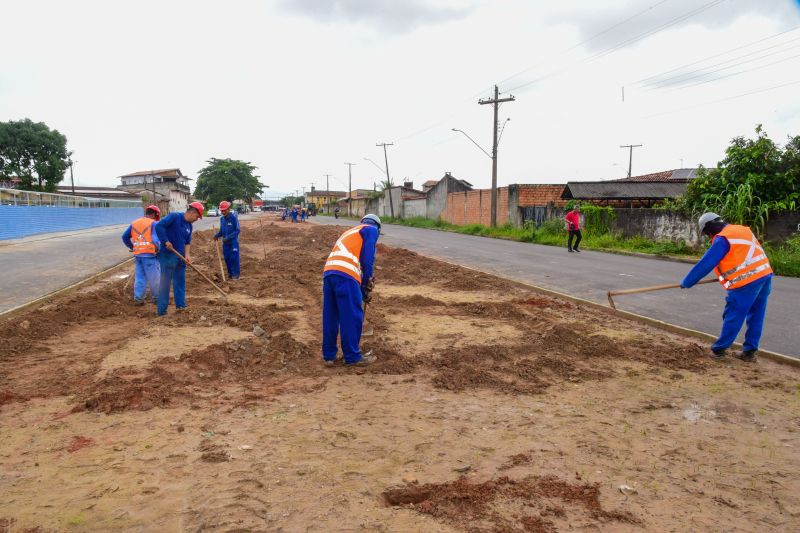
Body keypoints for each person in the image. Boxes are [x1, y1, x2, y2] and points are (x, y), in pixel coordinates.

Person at [680, 212, 773, 362]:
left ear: (710, 226)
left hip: (746, 283)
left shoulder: (723, 239)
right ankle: (749, 353)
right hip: (764, 276)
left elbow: (705, 264)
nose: (709, 236)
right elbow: (743, 256)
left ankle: (719, 350)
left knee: (733, 315)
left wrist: (687, 282)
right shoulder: (742, 230)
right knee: (756, 316)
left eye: (707, 233)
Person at [322, 214, 381, 366]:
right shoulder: (371, 230)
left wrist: (362, 292)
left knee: (331, 315)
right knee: (352, 315)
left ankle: (329, 355)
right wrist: (368, 281)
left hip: (329, 273)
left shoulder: (351, 232)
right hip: (346, 274)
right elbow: (367, 260)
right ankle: (352, 356)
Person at [155, 202, 204, 316]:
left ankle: (181, 306)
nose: (196, 219)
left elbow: (187, 242)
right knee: (165, 284)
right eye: (197, 217)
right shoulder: (174, 217)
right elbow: (159, 226)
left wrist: (187, 255)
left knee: (180, 282)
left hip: (180, 257)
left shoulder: (189, 226)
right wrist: (165, 241)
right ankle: (162, 311)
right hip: (167, 255)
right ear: (193, 212)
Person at [121, 205, 161, 305]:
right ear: (154, 214)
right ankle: (157, 298)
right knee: (154, 278)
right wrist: (159, 249)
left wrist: (132, 246)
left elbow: (124, 237)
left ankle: (138, 299)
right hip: (150, 255)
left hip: (138, 255)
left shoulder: (134, 223)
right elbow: (156, 240)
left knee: (140, 277)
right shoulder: (154, 223)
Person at [214, 201, 241, 280]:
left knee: (234, 258)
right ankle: (230, 274)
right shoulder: (222, 219)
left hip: (233, 243)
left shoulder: (233, 218)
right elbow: (222, 231)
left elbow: (237, 230)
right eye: (222, 211)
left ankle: (236, 275)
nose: (223, 212)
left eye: (224, 210)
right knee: (227, 259)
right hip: (225, 244)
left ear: (228, 209)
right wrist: (217, 235)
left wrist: (228, 237)